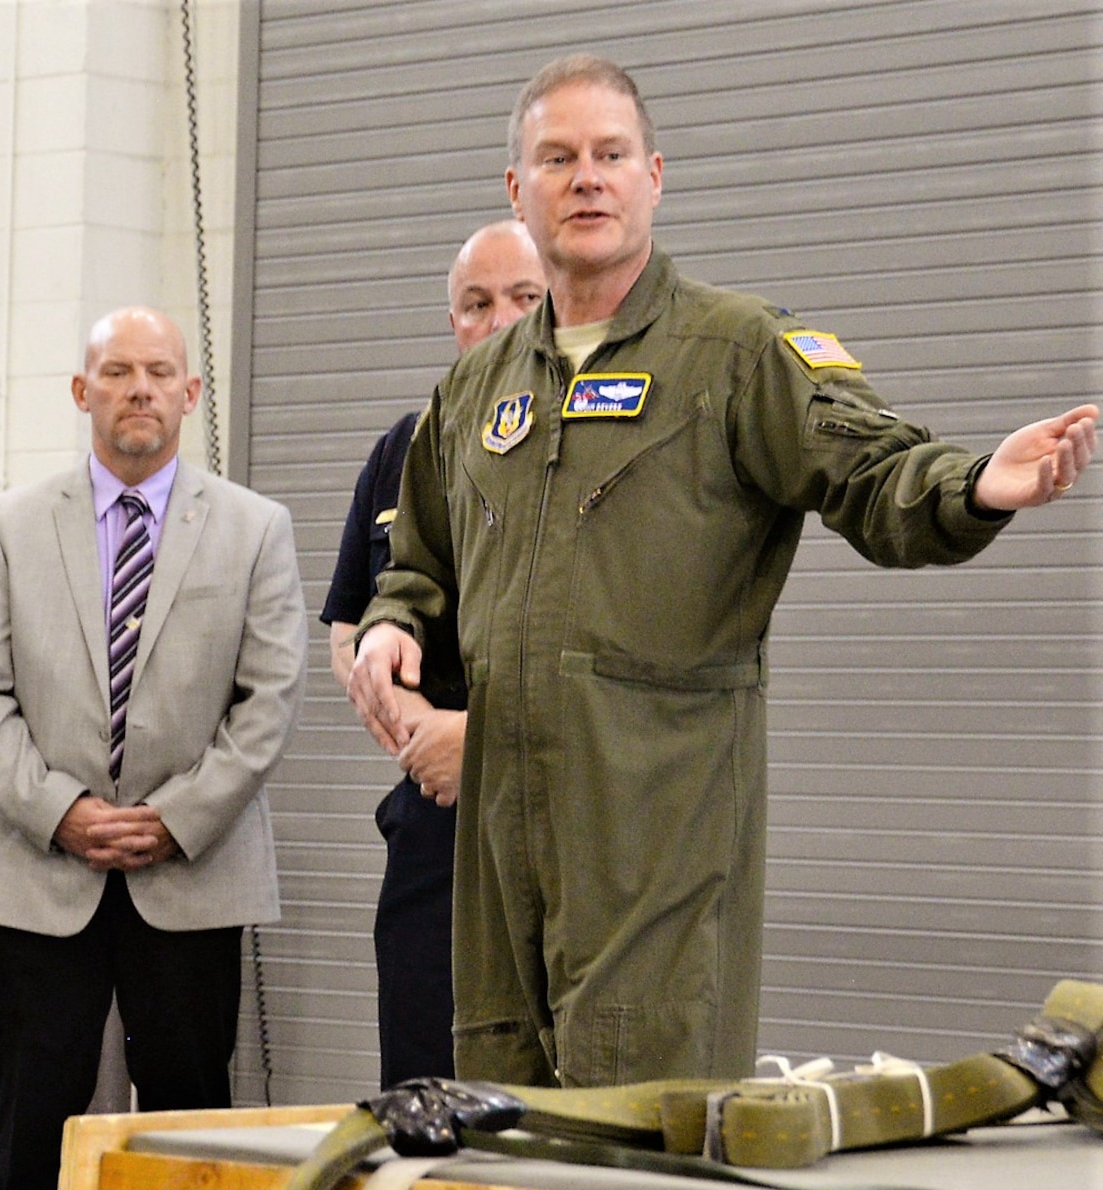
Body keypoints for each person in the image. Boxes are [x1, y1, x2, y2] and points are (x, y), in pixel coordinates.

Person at [349, 55, 1098, 1090]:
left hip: (654, 848)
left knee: (642, 1145)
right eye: (557, 158)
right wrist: (395, 622)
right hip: (494, 859)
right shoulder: (476, 385)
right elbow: (420, 556)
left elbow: (872, 472)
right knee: (505, 1146)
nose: (586, 178)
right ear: (514, 190)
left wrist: (972, 484)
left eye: (609, 155)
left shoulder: (734, 352)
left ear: (653, 175)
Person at [0, 306, 307, 1190]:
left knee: (191, 1130)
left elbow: (268, 698)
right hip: (35, 870)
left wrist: (170, 816)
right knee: (30, 1130)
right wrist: (60, 813)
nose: (137, 388)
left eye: (158, 372)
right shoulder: (5, 527)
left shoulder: (253, 529)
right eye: (115, 371)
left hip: (189, 873)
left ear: (190, 393)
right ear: (81, 392)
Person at [323, 219, 544, 1089]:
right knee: (420, 1082)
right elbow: (350, 624)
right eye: (475, 304)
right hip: (432, 825)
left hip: (555, 822)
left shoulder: (595, 442)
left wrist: (475, 740)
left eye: (525, 299)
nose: (498, 321)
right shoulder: (404, 450)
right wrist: (406, 722)